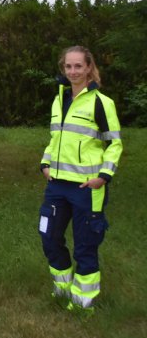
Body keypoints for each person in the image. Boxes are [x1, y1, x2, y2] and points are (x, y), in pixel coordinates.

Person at [39, 46, 122, 314]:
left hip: (87, 187)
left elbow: (114, 144)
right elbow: (56, 139)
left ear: (89, 68)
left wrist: (103, 177)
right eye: (68, 67)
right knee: (49, 237)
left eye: (78, 66)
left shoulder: (101, 103)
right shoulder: (58, 100)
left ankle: (83, 303)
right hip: (57, 186)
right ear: (63, 69)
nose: (73, 71)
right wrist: (45, 162)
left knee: (85, 246)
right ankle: (62, 288)